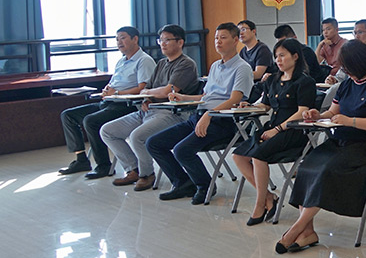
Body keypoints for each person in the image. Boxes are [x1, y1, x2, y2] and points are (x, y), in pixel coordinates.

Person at [279, 40, 366, 252]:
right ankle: (307, 231)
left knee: (327, 171)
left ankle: (296, 228)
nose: (345, 72)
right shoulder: (347, 84)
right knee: (307, 167)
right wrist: (318, 115)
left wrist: (351, 121)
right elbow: (333, 112)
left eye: (347, 68)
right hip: (340, 141)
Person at [147, 22, 254, 204]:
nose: (218, 41)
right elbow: (206, 97)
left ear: (236, 40)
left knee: (182, 150)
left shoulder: (242, 67)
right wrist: (184, 97)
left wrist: (209, 114)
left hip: (223, 121)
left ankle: (205, 186)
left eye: (223, 38)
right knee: (154, 143)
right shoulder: (215, 66)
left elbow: (235, 99)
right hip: (200, 116)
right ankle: (182, 182)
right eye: (216, 38)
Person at [99, 24, 200, 191]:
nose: (163, 44)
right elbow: (146, 90)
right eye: (160, 40)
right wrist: (147, 97)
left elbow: (168, 91)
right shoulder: (161, 63)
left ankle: (147, 175)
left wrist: (148, 92)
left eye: (167, 40)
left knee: (137, 136)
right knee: (107, 131)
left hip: (172, 113)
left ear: (180, 42)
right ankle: (133, 169)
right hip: (148, 110)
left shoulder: (186, 64)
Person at [232, 39, 317, 226]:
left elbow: (301, 112)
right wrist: (250, 106)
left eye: (282, 55)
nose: (278, 60)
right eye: (276, 56)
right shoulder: (272, 80)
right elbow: (266, 105)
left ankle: (259, 204)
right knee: (238, 156)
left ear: (295, 56)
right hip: (272, 128)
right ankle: (268, 197)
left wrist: (277, 129)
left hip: (293, 131)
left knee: (258, 156)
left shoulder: (305, 82)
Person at [58, 26, 157, 178]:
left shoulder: (144, 60)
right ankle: (81, 160)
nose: (119, 42)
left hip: (127, 106)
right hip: (109, 102)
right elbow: (113, 84)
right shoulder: (121, 61)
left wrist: (116, 93)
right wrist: (107, 90)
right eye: (117, 39)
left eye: (123, 38)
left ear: (135, 39)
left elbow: (143, 88)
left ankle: (103, 165)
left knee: (91, 121)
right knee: (68, 115)